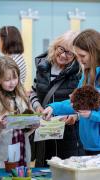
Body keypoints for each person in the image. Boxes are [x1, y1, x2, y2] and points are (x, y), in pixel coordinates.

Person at [29, 30, 84, 167]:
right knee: (44, 170)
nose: (63, 55)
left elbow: (83, 103)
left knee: (67, 171)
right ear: (56, 46)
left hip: (69, 136)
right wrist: (37, 107)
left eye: (69, 53)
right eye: (61, 49)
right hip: (44, 134)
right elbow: (33, 92)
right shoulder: (42, 67)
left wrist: (75, 117)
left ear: (75, 56)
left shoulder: (78, 74)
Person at [43, 29, 100, 156]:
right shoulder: (86, 75)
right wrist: (54, 107)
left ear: (94, 53)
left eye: (82, 56)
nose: (79, 60)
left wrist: (91, 115)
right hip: (87, 145)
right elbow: (75, 103)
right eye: (77, 55)